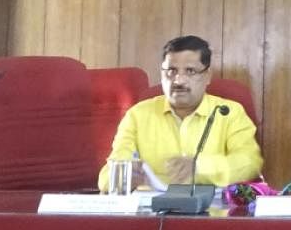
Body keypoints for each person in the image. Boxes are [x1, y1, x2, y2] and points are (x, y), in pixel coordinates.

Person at [98, 35, 263, 192]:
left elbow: (250, 163)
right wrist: (125, 178)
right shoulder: (138, 115)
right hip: (152, 214)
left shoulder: (228, 112)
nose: (179, 80)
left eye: (190, 71)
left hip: (212, 212)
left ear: (207, 76)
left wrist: (199, 168)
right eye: (171, 71)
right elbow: (106, 177)